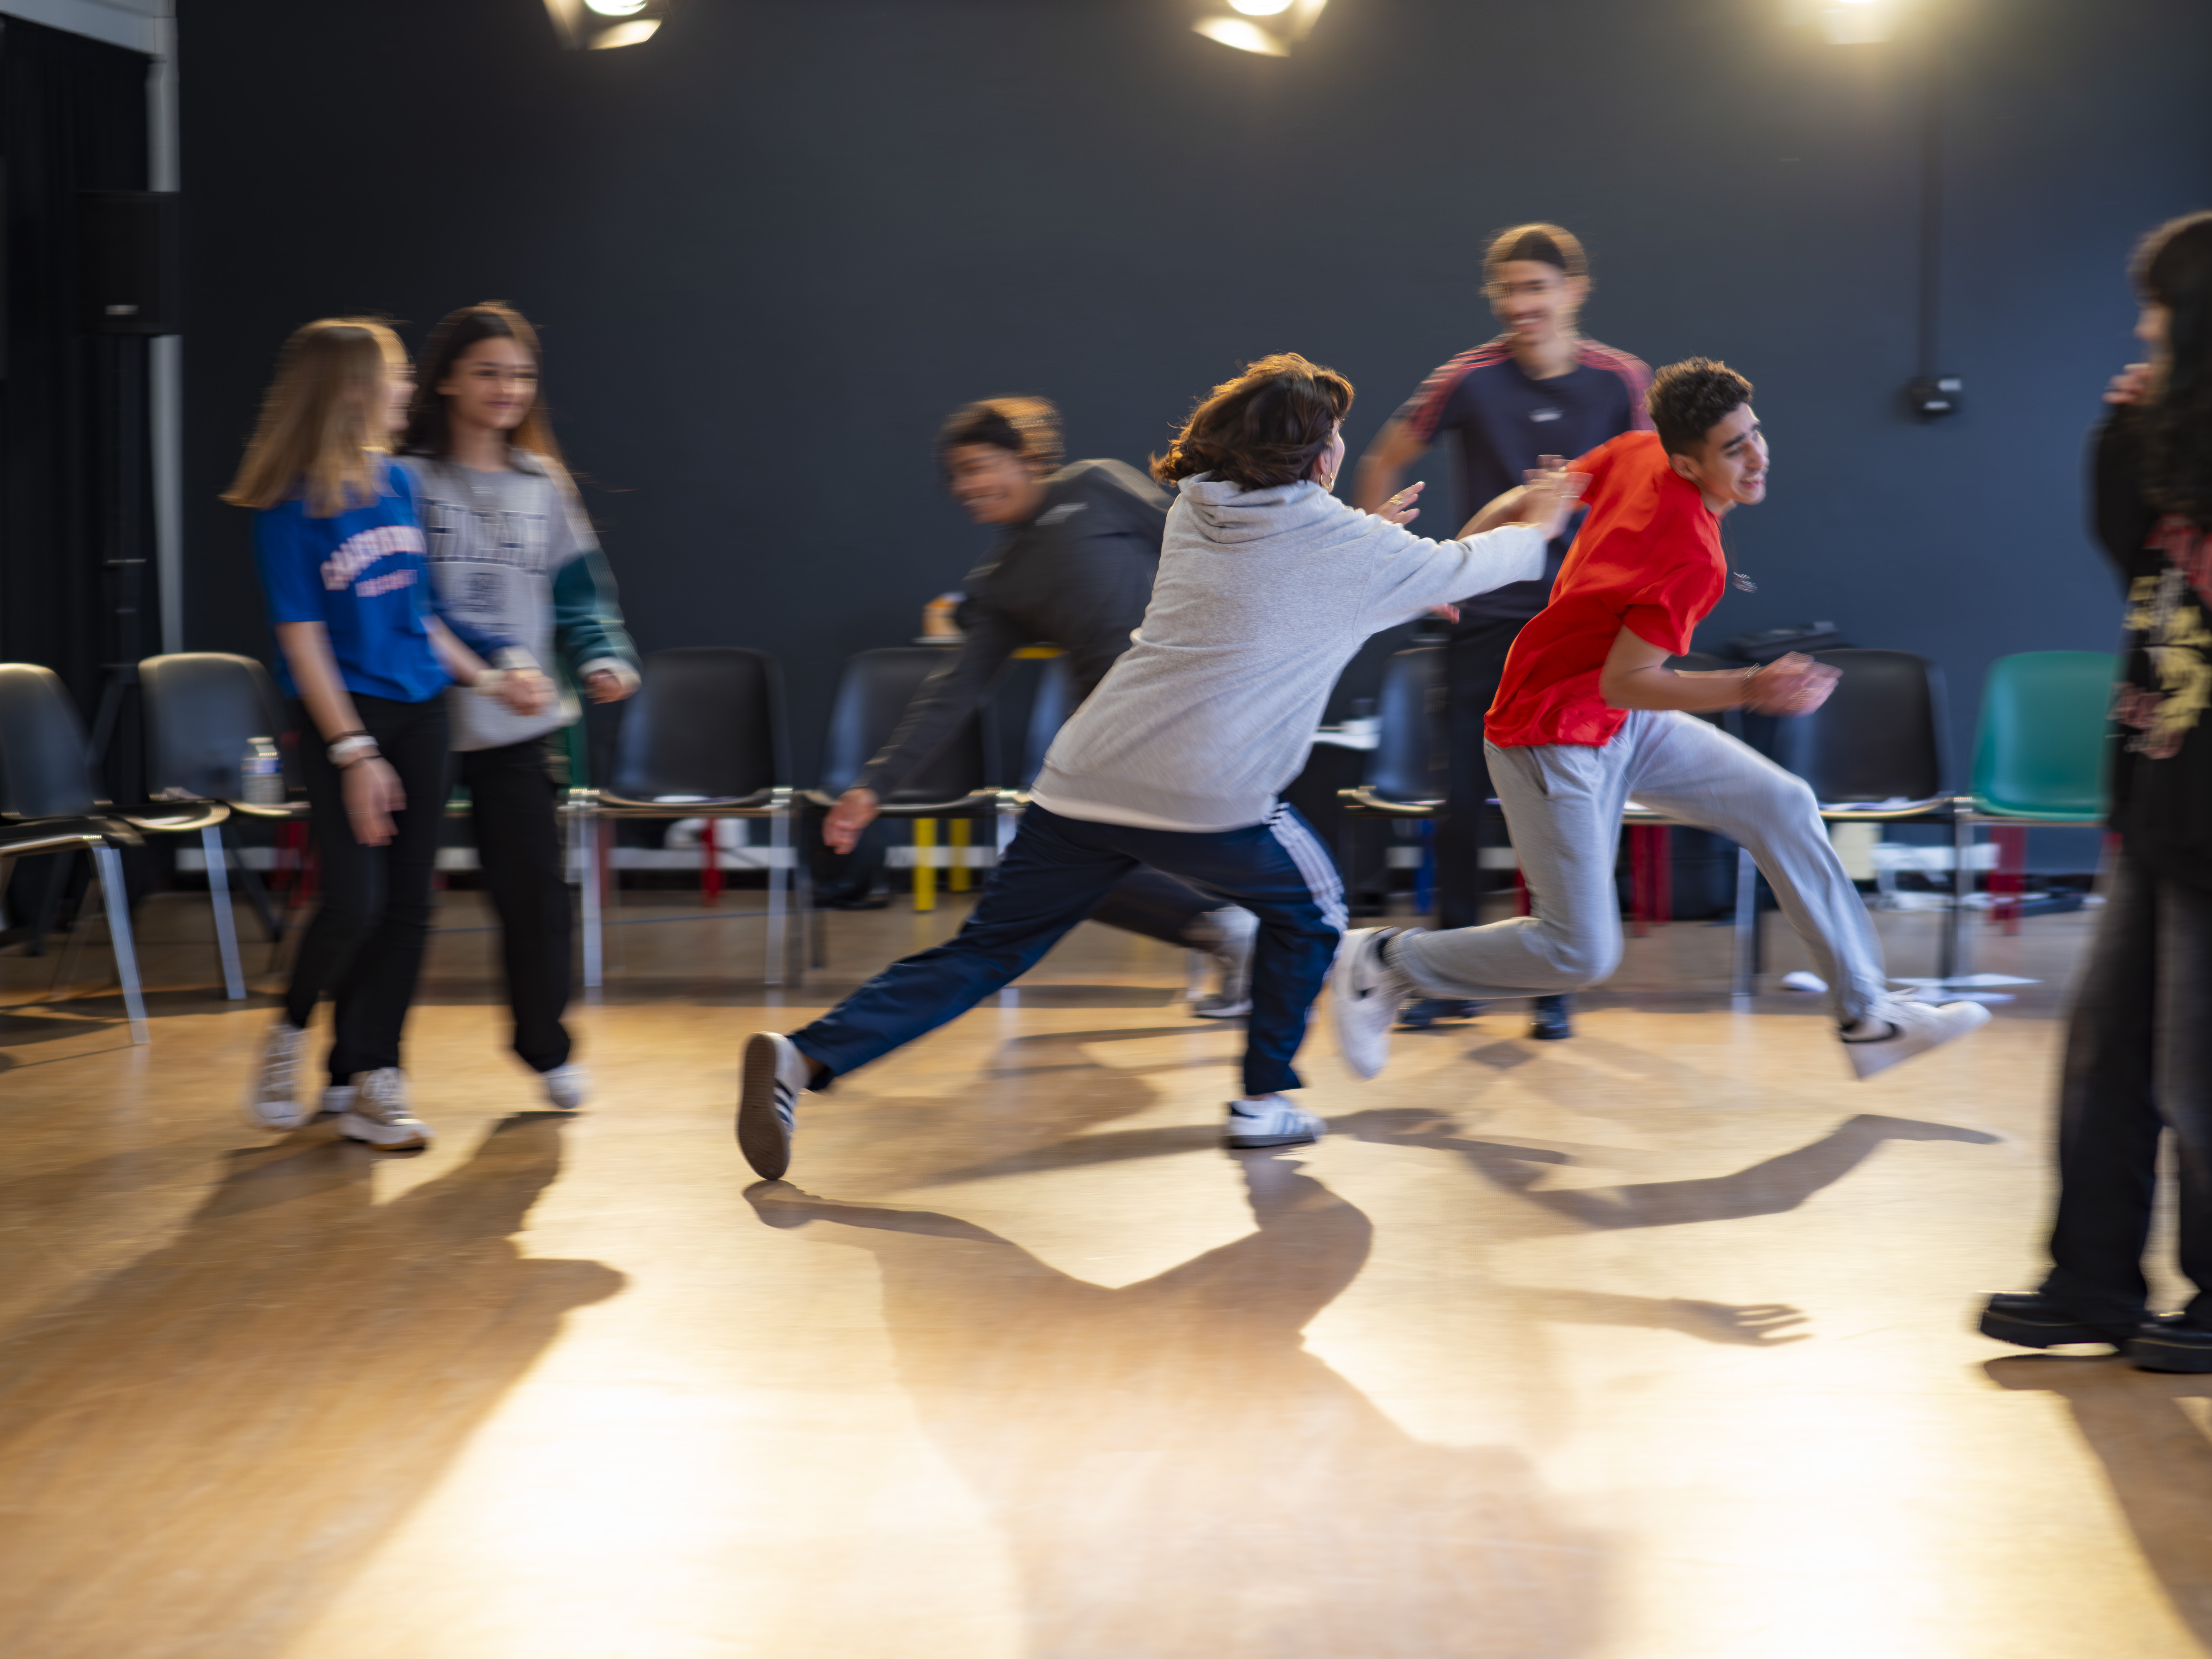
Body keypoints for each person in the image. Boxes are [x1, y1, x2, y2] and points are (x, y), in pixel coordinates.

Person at [737, 354, 1569, 1179]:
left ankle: (802, 1058)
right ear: (1320, 456)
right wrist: (1540, 520)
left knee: (987, 950)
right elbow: (1477, 564)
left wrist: (1382, 554)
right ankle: (1265, 1098)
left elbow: (1298, 590)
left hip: (1085, 779)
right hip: (1209, 793)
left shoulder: (1197, 508)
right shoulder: (1342, 544)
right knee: (1315, 915)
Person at [1330, 357, 1992, 1083]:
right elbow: (1628, 679)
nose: (1757, 457)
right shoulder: (1692, 557)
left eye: (1755, 433)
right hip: (1552, 733)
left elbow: (1528, 500)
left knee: (1782, 802)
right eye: (1734, 448)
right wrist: (1752, 688)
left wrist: (1453, 567)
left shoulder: (1638, 448)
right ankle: (1383, 962)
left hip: (1615, 721)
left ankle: (1868, 1019)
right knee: (1578, 953)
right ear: (1686, 461)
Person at [820, 397, 1261, 1014]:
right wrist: (874, 788)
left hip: (1191, 694)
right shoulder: (1001, 581)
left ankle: (1254, 933)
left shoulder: (1094, 487)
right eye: (956, 476)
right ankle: (1232, 931)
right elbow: (953, 694)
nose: (966, 487)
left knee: (1070, 859)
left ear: (1026, 458)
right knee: (1056, 863)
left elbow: (1204, 541)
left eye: (978, 467)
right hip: (1108, 730)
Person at [1980, 212, 2212, 1374]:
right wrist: (2128, 429)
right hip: (2162, 792)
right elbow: (2131, 550)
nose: (2143, 332)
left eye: (2159, 310)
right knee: (2109, 1054)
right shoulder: (2175, 446)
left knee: (2198, 1066)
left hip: (2210, 814)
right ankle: (2093, 1282)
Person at [227, 318, 549, 1149]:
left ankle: (376, 1078)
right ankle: (291, 1031)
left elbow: (421, 615)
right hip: (348, 719)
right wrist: (354, 752)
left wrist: (490, 677)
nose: (409, 389)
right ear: (353, 390)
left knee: (409, 904)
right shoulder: (286, 510)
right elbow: (304, 646)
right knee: (355, 901)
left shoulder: (400, 482)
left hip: (422, 712)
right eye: (398, 376)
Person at [1354, 224, 1653, 1042]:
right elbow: (1380, 463)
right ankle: (1446, 983)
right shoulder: (1469, 378)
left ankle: (1554, 979)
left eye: (1537, 288)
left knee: (1562, 804)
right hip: (1485, 618)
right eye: (1508, 290)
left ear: (1574, 291)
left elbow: (1654, 483)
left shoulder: (1621, 379)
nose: (1522, 305)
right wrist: (1407, 570)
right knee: (1459, 803)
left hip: (1578, 626)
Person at [398, 302, 642, 1111]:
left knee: (535, 892)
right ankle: (365, 1064)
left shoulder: (543, 484)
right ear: (445, 381)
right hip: (421, 718)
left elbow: (582, 596)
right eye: (489, 373)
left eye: (522, 376)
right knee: (397, 901)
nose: (508, 389)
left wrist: (602, 656)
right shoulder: (406, 479)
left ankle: (547, 1050)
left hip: (520, 724)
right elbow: (398, 600)